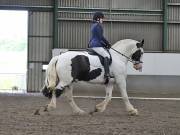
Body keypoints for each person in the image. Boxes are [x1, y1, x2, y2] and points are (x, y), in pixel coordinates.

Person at [89, 12, 111, 81]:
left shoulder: (93, 25)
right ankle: (107, 74)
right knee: (106, 55)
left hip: (93, 44)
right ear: (98, 18)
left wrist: (105, 44)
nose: (103, 20)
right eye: (102, 18)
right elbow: (100, 37)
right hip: (96, 45)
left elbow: (95, 37)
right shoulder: (98, 25)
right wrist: (107, 43)